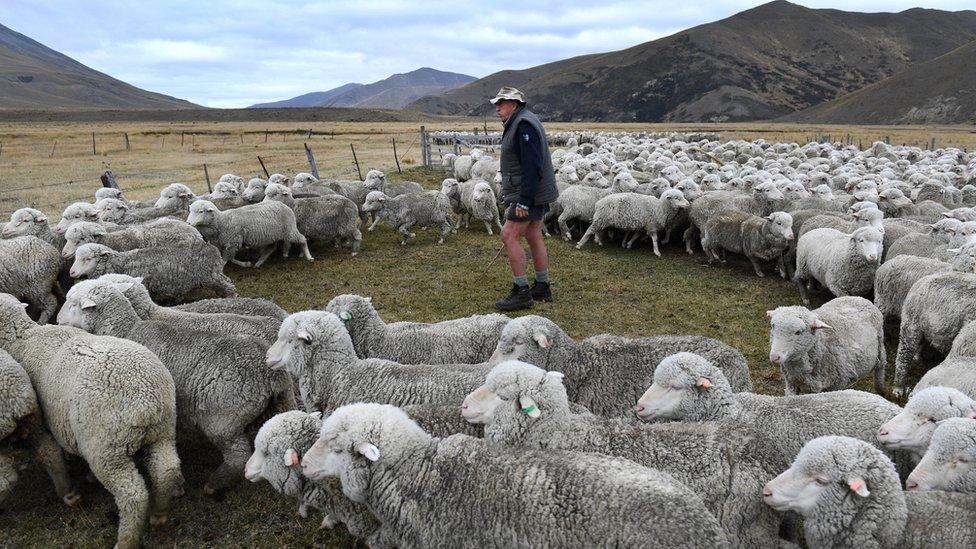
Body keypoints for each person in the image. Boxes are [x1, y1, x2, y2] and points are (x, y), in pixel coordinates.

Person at [489, 87, 559, 312]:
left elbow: (532, 165)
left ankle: (522, 291)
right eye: (496, 103)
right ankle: (542, 286)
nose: (497, 107)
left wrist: (524, 200)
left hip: (529, 193)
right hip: (536, 191)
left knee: (508, 235)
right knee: (533, 234)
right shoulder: (522, 121)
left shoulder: (523, 125)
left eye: (502, 103)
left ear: (515, 104)